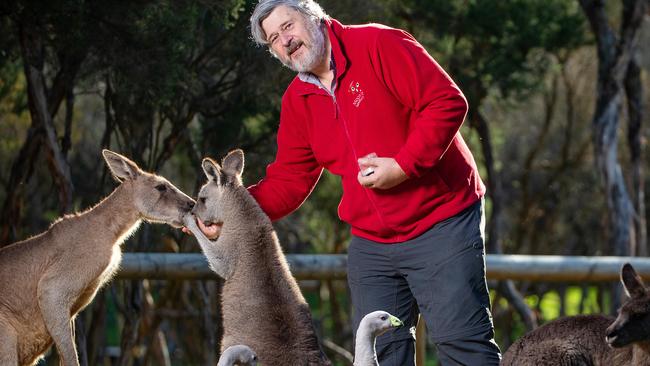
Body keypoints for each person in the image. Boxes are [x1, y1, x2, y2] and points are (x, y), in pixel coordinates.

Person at [197, 0, 501, 364]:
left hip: (442, 221)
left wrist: (403, 166)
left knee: (462, 346)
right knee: (378, 354)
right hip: (372, 243)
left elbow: (447, 102)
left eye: (288, 26)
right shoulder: (298, 100)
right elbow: (289, 181)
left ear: (314, 16)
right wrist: (226, 214)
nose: (285, 41)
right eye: (274, 39)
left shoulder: (378, 45)